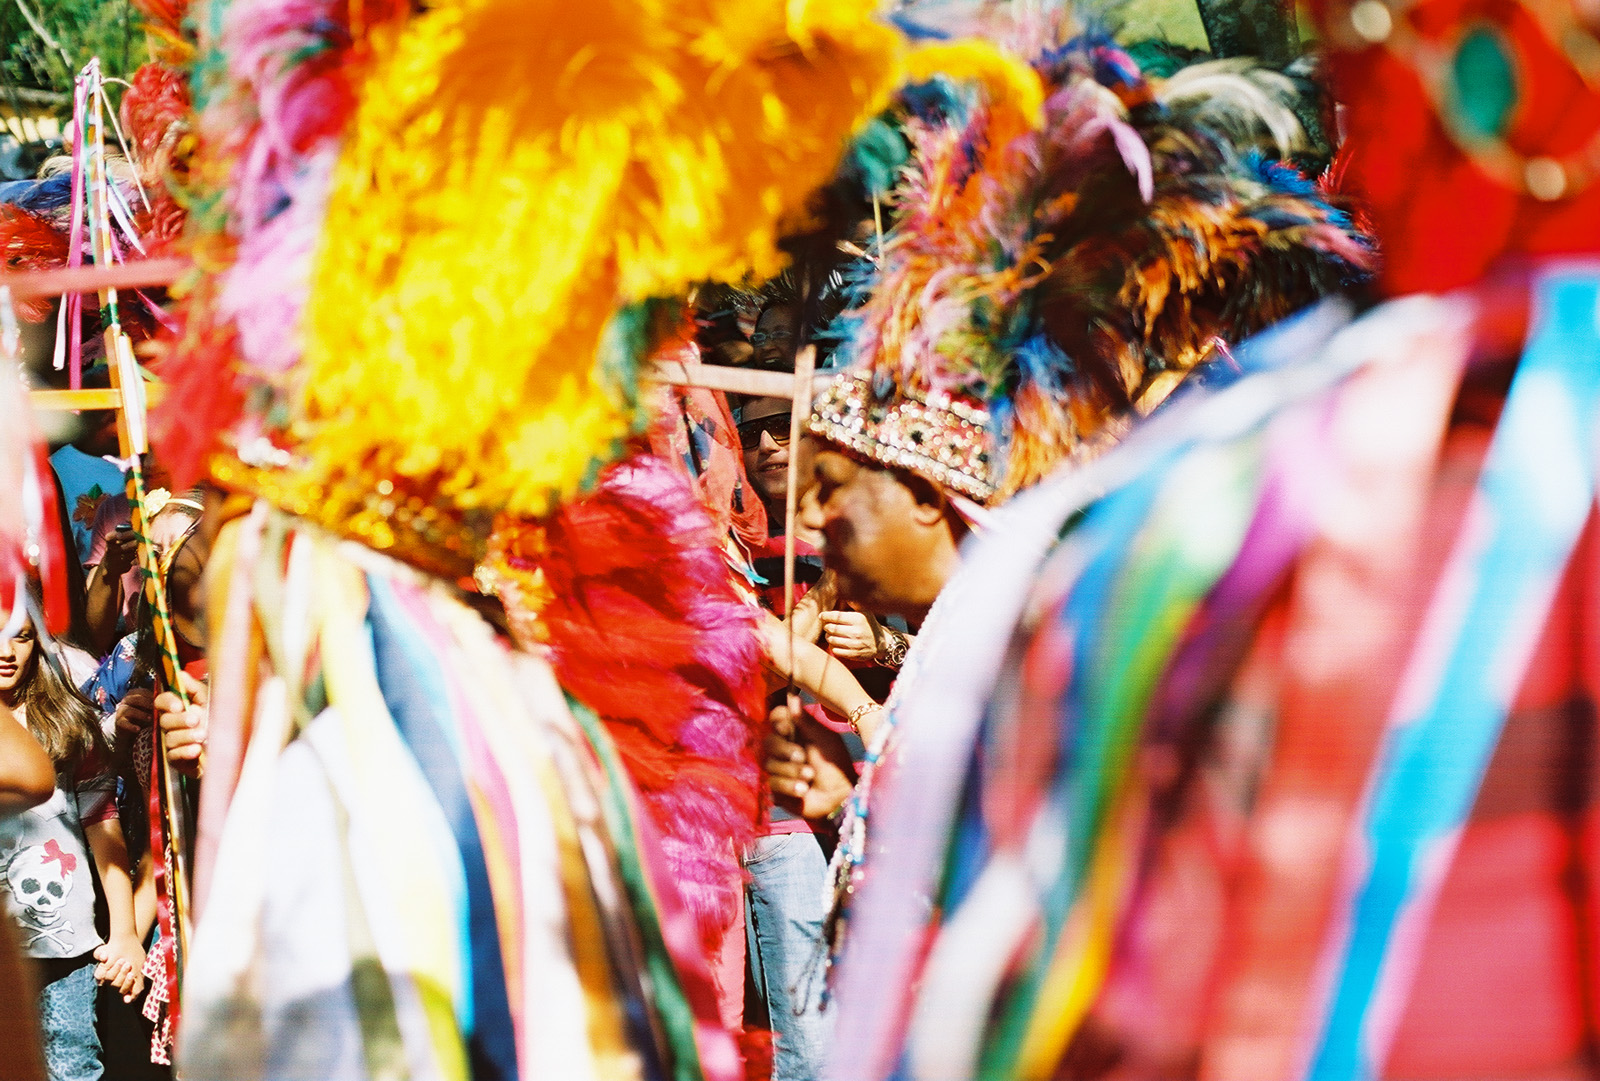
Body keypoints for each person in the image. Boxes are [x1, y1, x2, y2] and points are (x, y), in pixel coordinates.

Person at [0, 606, 146, 1081]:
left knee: (70, 1068)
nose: (7, 652)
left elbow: (103, 825)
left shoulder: (66, 720)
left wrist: (124, 932)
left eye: (21, 638)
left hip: (64, 949)